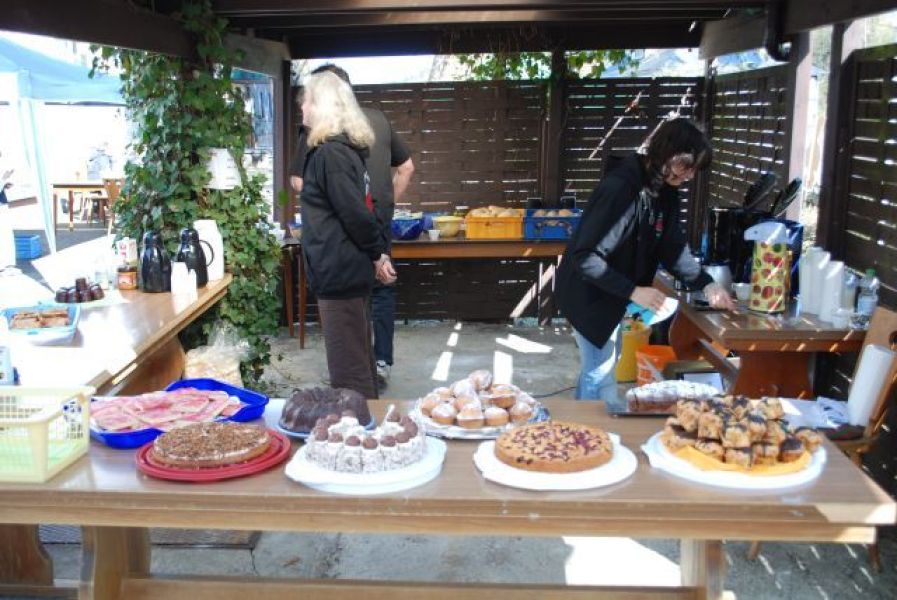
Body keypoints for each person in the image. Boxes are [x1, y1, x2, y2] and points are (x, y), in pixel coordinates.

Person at [555, 118, 736, 402]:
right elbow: (586, 257)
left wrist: (707, 284)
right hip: (587, 293)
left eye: (694, 170)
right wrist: (634, 291)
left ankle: (582, 424)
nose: (689, 176)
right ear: (666, 152)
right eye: (686, 166)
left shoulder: (665, 191)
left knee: (600, 367)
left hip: (613, 292)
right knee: (600, 375)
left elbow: (672, 248)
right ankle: (591, 427)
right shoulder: (621, 189)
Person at [290, 64, 414, 389]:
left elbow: (355, 214)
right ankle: (366, 416)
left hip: (339, 273)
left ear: (324, 107)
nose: (303, 108)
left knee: (349, 378)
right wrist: (377, 253)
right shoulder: (339, 151)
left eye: (308, 101)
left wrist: (376, 253)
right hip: (344, 271)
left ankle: (359, 420)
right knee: (359, 365)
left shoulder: (331, 155)